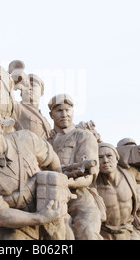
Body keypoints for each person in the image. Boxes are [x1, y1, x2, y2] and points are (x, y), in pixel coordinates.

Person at [0, 106, 71, 240]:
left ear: (2, 127)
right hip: (17, 224)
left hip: (49, 207)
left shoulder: (25, 138)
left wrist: (62, 187)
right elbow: (0, 216)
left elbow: (52, 159)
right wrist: (40, 218)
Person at [47, 94, 105, 240]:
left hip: (80, 197)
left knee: (88, 232)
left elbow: (88, 177)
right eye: (59, 110)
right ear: (51, 115)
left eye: (68, 110)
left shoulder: (84, 136)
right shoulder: (45, 142)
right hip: (50, 198)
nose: (64, 114)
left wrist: (66, 182)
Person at [95, 141, 140, 240]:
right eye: (100, 157)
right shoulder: (93, 181)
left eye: (109, 156)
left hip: (125, 232)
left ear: (117, 159)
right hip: (103, 233)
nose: (105, 160)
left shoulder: (129, 173)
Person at [13, 73, 52, 138]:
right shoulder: (16, 107)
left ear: (41, 92)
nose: (29, 88)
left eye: (33, 85)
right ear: (21, 93)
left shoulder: (45, 121)